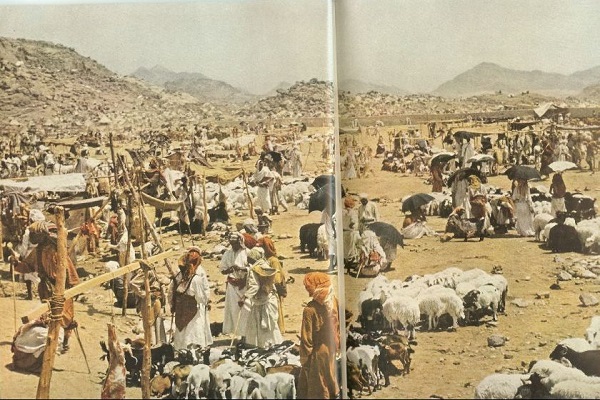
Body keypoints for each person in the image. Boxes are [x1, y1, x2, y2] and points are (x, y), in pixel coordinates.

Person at [12, 221, 80, 352]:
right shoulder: (37, 251)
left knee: (66, 316)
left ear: (41, 235)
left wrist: (74, 287)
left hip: (61, 288)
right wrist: (16, 263)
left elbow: (69, 269)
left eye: (34, 234)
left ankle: (65, 340)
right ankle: (49, 344)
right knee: (48, 316)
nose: (32, 237)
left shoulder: (58, 250)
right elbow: (28, 266)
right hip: (45, 288)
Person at [297, 272, 340, 399]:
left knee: (319, 386)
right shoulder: (333, 301)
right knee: (330, 378)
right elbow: (345, 318)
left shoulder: (309, 310)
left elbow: (307, 340)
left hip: (318, 354)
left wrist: (304, 360)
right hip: (331, 348)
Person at [169, 247, 213, 350]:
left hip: (183, 307)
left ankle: (183, 350)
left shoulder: (181, 275)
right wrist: (205, 301)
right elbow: (201, 296)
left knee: (184, 330)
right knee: (193, 329)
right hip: (192, 307)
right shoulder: (194, 278)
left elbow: (171, 291)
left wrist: (172, 304)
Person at [240, 248, 283, 348]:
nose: (247, 260)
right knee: (270, 326)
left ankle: (263, 346)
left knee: (261, 325)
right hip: (269, 298)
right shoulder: (264, 265)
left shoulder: (254, 269)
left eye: (249, 258)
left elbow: (254, 286)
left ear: (252, 258)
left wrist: (244, 297)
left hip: (262, 301)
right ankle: (274, 345)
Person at [219, 232, 249, 340]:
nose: (233, 246)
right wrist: (230, 269)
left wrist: (240, 269)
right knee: (234, 311)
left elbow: (253, 268)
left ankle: (247, 335)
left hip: (244, 285)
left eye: (235, 244)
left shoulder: (247, 253)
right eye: (232, 244)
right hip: (232, 286)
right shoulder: (227, 253)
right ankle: (240, 335)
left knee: (246, 310)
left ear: (240, 242)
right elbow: (222, 270)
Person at [257, 236, 287, 333]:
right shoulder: (264, 259)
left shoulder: (273, 260)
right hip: (268, 288)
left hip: (273, 288)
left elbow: (277, 278)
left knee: (276, 310)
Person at [342, 197, 361, 267]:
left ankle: (345, 262)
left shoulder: (341, 211)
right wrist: (351, 226)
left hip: (343, 231)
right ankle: (349, 263)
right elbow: (353, 222)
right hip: (350, 232)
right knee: (351, 248)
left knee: (345, 248)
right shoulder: (352, 212)